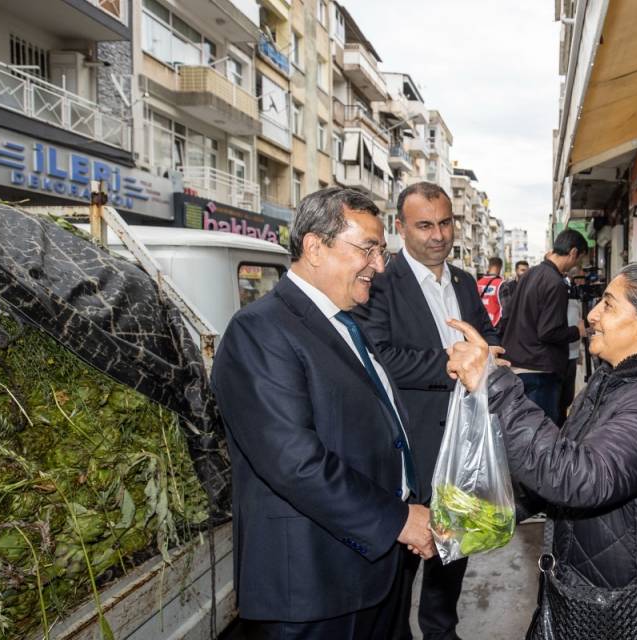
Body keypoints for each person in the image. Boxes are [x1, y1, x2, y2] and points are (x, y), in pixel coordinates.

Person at [445, 264, 637, 638]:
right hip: (580, 592)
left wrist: (495, 386)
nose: (592, 314)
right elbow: (561, 458)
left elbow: (580, 477)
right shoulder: (615, 379)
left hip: (616, 612)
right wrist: (485, 514)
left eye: (609, 306)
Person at [211, 188, 434, 640]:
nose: (379, 264)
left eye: (381, 251)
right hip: (315, 590)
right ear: (315, 247)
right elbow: (295, 462)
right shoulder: (259, 331)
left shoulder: (347, 321)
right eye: (367, 249)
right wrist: (398, 519)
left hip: (375, 571)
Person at [349, 182, 500, 640]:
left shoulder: (464, 281)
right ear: (400, 228)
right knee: (399, 567)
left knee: (453, 551)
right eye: (425, 225)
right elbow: (381, 357)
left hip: (464, 446)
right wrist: (454, 363)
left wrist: (489, 353)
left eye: (446, 222)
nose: (439, 235)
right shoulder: (379, 284)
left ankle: (441, 630)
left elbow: (486, 336)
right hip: (410, 450)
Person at [501, 230, 587, 423]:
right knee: (543, 438)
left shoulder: (530, 274)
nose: (576, 265)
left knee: (525, 431)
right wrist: (577, 331)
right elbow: (548, 332)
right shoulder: (556, 283)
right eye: (578, 259)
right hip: (540, 370)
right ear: (573, 252)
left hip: (518, 365)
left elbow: (507, 316)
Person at [557, 274, 586, 422]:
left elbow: (579, 319)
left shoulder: (574, 297)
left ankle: (562, 421)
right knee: (559, 396)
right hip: (557, 353)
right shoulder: (555, 298)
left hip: (572, 352)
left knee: (567, 396)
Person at [477, 256, 505, 328]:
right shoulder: (501, 284)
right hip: (496, 326)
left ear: (489, 267)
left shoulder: (478, 283)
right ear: (500, 268)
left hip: (481, 325)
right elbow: (506, 309)